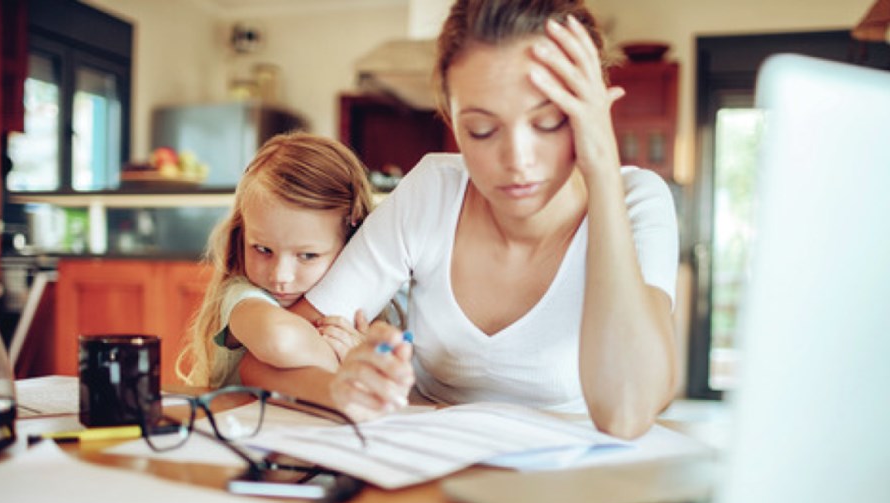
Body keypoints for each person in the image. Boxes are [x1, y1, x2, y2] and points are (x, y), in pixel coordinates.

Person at [241, 0, 679, 439]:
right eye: (482, 130)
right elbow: (261, 361)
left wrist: (601, 166)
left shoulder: (635, 201)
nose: (517, 161)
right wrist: (342, 387)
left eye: (548, 121)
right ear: (451, 118)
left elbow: (626, 413)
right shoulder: (432, 192)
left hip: (567, 482)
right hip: (427, 469)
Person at [176, 131, 375, 388]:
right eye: (262, 249)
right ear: (242, 234)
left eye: (307, 255)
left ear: (351, 242)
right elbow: (278, 338)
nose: (280, 276)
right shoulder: (242, 297)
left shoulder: (367, 305)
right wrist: (354, 364)